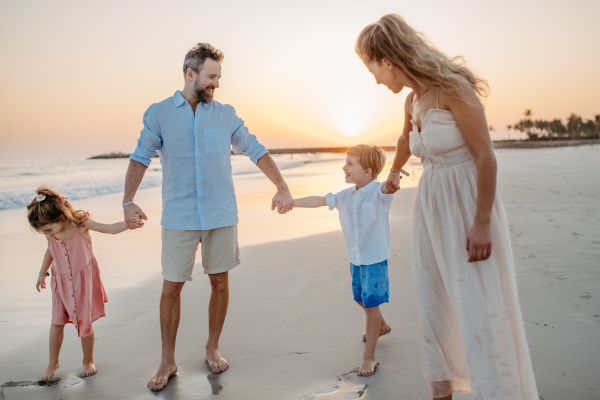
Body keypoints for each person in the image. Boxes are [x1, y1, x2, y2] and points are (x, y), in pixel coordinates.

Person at [355, 14, 539, 400]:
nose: (374, 80)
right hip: (432, 209)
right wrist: (393, 174)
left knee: (478, 308)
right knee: (435, 303)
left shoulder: (453, 88)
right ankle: (443, 392)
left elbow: (486, 157)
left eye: (373, 70)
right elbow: (406, 139)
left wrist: (482, 223)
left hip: (470, 206)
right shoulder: (412, 99)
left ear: (388, 60)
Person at [123, 43, 294, 391]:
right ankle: (167, 359)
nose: (216, 83)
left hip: (220, 213)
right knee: (171, 286)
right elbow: (140, 156)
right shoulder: (159, 113)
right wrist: (128, 200)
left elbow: (256, 150)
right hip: (179, 215)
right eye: (211, 76)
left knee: (220, 281)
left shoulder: (226, 114)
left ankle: (212, 346)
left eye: (219, 76)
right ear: (191, 74)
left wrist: (282, 186)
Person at [283, 145, 396, 377]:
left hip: (374, 259)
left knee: (371, 305)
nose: (344, 167)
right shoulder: (346, 196)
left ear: (367, 171)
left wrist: (393, 179)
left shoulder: (379, 193)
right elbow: (320, 200)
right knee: (360, 299)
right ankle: (382, 326)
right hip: (356, 258)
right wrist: (292, 202)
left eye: (350, 164)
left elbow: (388, 187)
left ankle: (370, 357)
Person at [27, 185, 142, 381]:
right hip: (60, 283)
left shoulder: (82, 226)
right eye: (43, 230)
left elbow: (110, 229)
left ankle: (87, 360)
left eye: (48, 228)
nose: (47, 232)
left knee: (85, 323)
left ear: (61, 217)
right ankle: (52, 362)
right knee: (56, 322)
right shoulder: (50, 233)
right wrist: (42, 272)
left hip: (83, 283)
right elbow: (50, 251)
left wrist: (128, 223)